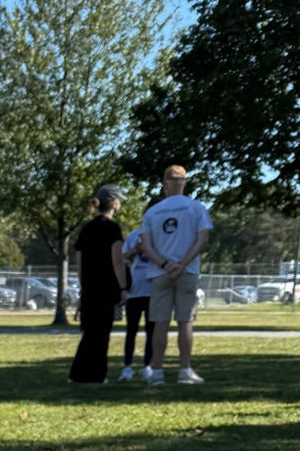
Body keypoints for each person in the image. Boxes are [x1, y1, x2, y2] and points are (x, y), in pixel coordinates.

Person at [140, 165, 212, 386]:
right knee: (185, 322)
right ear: (184, 182)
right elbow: (202, 239)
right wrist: (181, 264)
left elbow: (146, 245)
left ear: (164, 184)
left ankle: (158, 372)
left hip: (160, 273)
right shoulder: (197, 208)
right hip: (187, 271)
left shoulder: (153, 212)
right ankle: (184, 370)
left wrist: (164, 264)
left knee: (160, 324)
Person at [68, 185, 126, 384]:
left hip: (90, 287)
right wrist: (124, 288)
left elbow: (79, 262)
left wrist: (83, 289)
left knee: (89, 332)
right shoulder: (113, 229)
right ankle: (97, 374)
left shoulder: (86, 229)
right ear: (114, 203)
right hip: (107, 287)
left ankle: (79, 373)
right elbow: (117, 262)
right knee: (101, 334)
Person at [118, 214, 155, 381]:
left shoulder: (160, 235)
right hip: (135, 291)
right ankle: (127, 367)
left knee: (151, 331)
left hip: (153, 290)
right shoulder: (134, 235)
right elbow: (121, 258)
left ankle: (148, 366)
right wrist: (135, 249)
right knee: (131, 330)